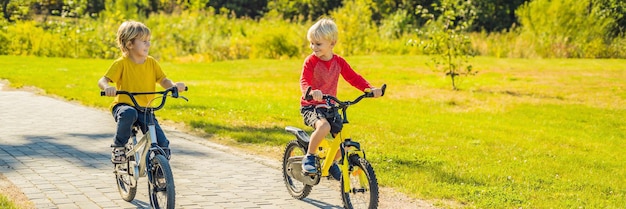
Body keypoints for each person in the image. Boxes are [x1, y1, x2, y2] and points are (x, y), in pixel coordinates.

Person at [299, 18, 382, 180]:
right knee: (323, 127)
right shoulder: (311, 61)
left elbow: (353, 77)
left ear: (332, 43)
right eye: (312, 43)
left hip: (329, 106)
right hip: (312, 106)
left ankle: (330, 163)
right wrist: (310, 91)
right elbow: (304, 80)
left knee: (345, 141)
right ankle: (309, 156)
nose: (313, 47)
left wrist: (370, 89)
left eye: (318, 44)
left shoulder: (339, 62)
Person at [98, 21, 186, 164]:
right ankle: (119, 146)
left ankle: (160, 175)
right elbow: (102, 80)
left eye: (149, 41)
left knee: (162, 145)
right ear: (129, 44)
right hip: (124, 105)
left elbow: (163, 80)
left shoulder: (151, 63)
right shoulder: (121, 63)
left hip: (146, 109)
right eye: (144, 41)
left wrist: (173, 86)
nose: (148, 44)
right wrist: (107, 87)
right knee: (128, 113)